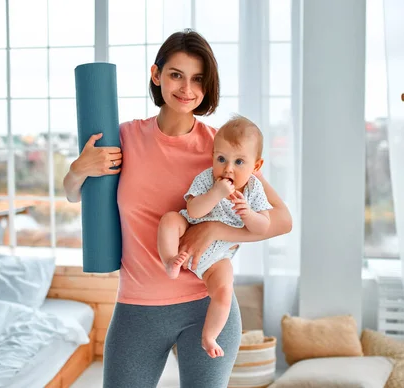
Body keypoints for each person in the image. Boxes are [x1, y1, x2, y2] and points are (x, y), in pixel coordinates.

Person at [63, 29, 292, 388]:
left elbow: (282, 219)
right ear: (156, 75)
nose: (187, 89)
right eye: (176, 75)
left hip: (206, 304)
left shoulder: (220, 148)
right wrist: (78, 170)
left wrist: (216, 229)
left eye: (198, 79)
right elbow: (76, 195)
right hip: (137, 307)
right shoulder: (124, 137)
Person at [157, 115, 272, 358]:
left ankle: (209, 336)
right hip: (187, 232)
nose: (228, 168)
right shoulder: (207, 179)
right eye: (221, 159)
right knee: (169, 220)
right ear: (212, 157)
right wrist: (216, 193)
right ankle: (170, 260)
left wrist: (249, 215)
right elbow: (193, 210)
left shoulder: (254, 189)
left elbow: (263, 227)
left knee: (224, 291)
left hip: (218, 257)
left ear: (256, 166)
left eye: (239, 161)